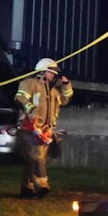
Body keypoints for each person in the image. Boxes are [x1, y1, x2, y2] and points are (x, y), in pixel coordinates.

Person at [13, 58, 73, 199]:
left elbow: (66, 99)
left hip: (45, 131)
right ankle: (42, 186)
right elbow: (20, 98)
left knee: (34, 160)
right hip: (29, 129)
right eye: (51, 73)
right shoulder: (30, 83)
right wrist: (30, 108)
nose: (53, 76)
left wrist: (66, 85)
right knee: (37, 158)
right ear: (43, 71)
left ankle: (27, 189)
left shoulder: (54, 91)